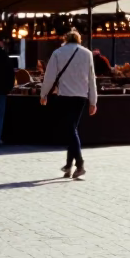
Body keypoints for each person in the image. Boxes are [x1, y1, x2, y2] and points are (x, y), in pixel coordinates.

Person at [40, 28, 98, 180]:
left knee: (70, 130)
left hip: (65, 96)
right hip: (81, 96)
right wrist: (93, 101)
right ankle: (68, 165)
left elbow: (50, 76)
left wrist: (43, 93)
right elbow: (92, 78)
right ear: (79, 39)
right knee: (72, 129)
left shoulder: (58, 53)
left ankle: (79, 164)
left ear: (65, 39)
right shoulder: (87, 53)